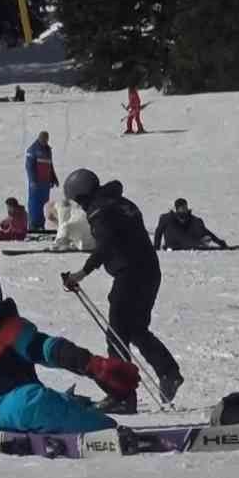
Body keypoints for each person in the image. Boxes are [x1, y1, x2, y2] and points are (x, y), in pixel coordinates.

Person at [0, 269, 139, 455]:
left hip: (14, 406)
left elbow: (49, 349)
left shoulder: (10, 331)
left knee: (28, 403)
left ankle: (102, 428)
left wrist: (94, 366)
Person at [61, 168, 184, 412]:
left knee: (116, 335)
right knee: (136, 329)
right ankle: (169, 372)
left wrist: (82, 273)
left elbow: (107, 245)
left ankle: (121, 395)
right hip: (149, 271)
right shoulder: (121, 202)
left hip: (130, 274)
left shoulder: (100, 210)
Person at [152, 198, 229, 250]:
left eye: (185, 208)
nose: (184, 210)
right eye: (182, 208)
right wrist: (156, 247)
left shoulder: (194, 220)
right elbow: (158, 232)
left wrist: (220, 242)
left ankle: (202, 242)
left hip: (192, 245)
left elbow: (206, 231)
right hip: (173, 246)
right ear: (176, 209)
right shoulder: (166, 219)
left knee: (198, 226)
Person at [24, 131, 58, 231]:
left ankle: (41, 224)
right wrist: (33, 181)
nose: (45, 141)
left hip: (45, 183)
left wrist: (53, 178)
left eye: (46, 139)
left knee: (44, 204)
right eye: (43, 139)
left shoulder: (48, 150)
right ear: (39, 138)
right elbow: (29, 166)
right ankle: (33, 224)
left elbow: (50, 166)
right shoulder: (32, 149)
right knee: (35, 204)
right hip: (36, 183)